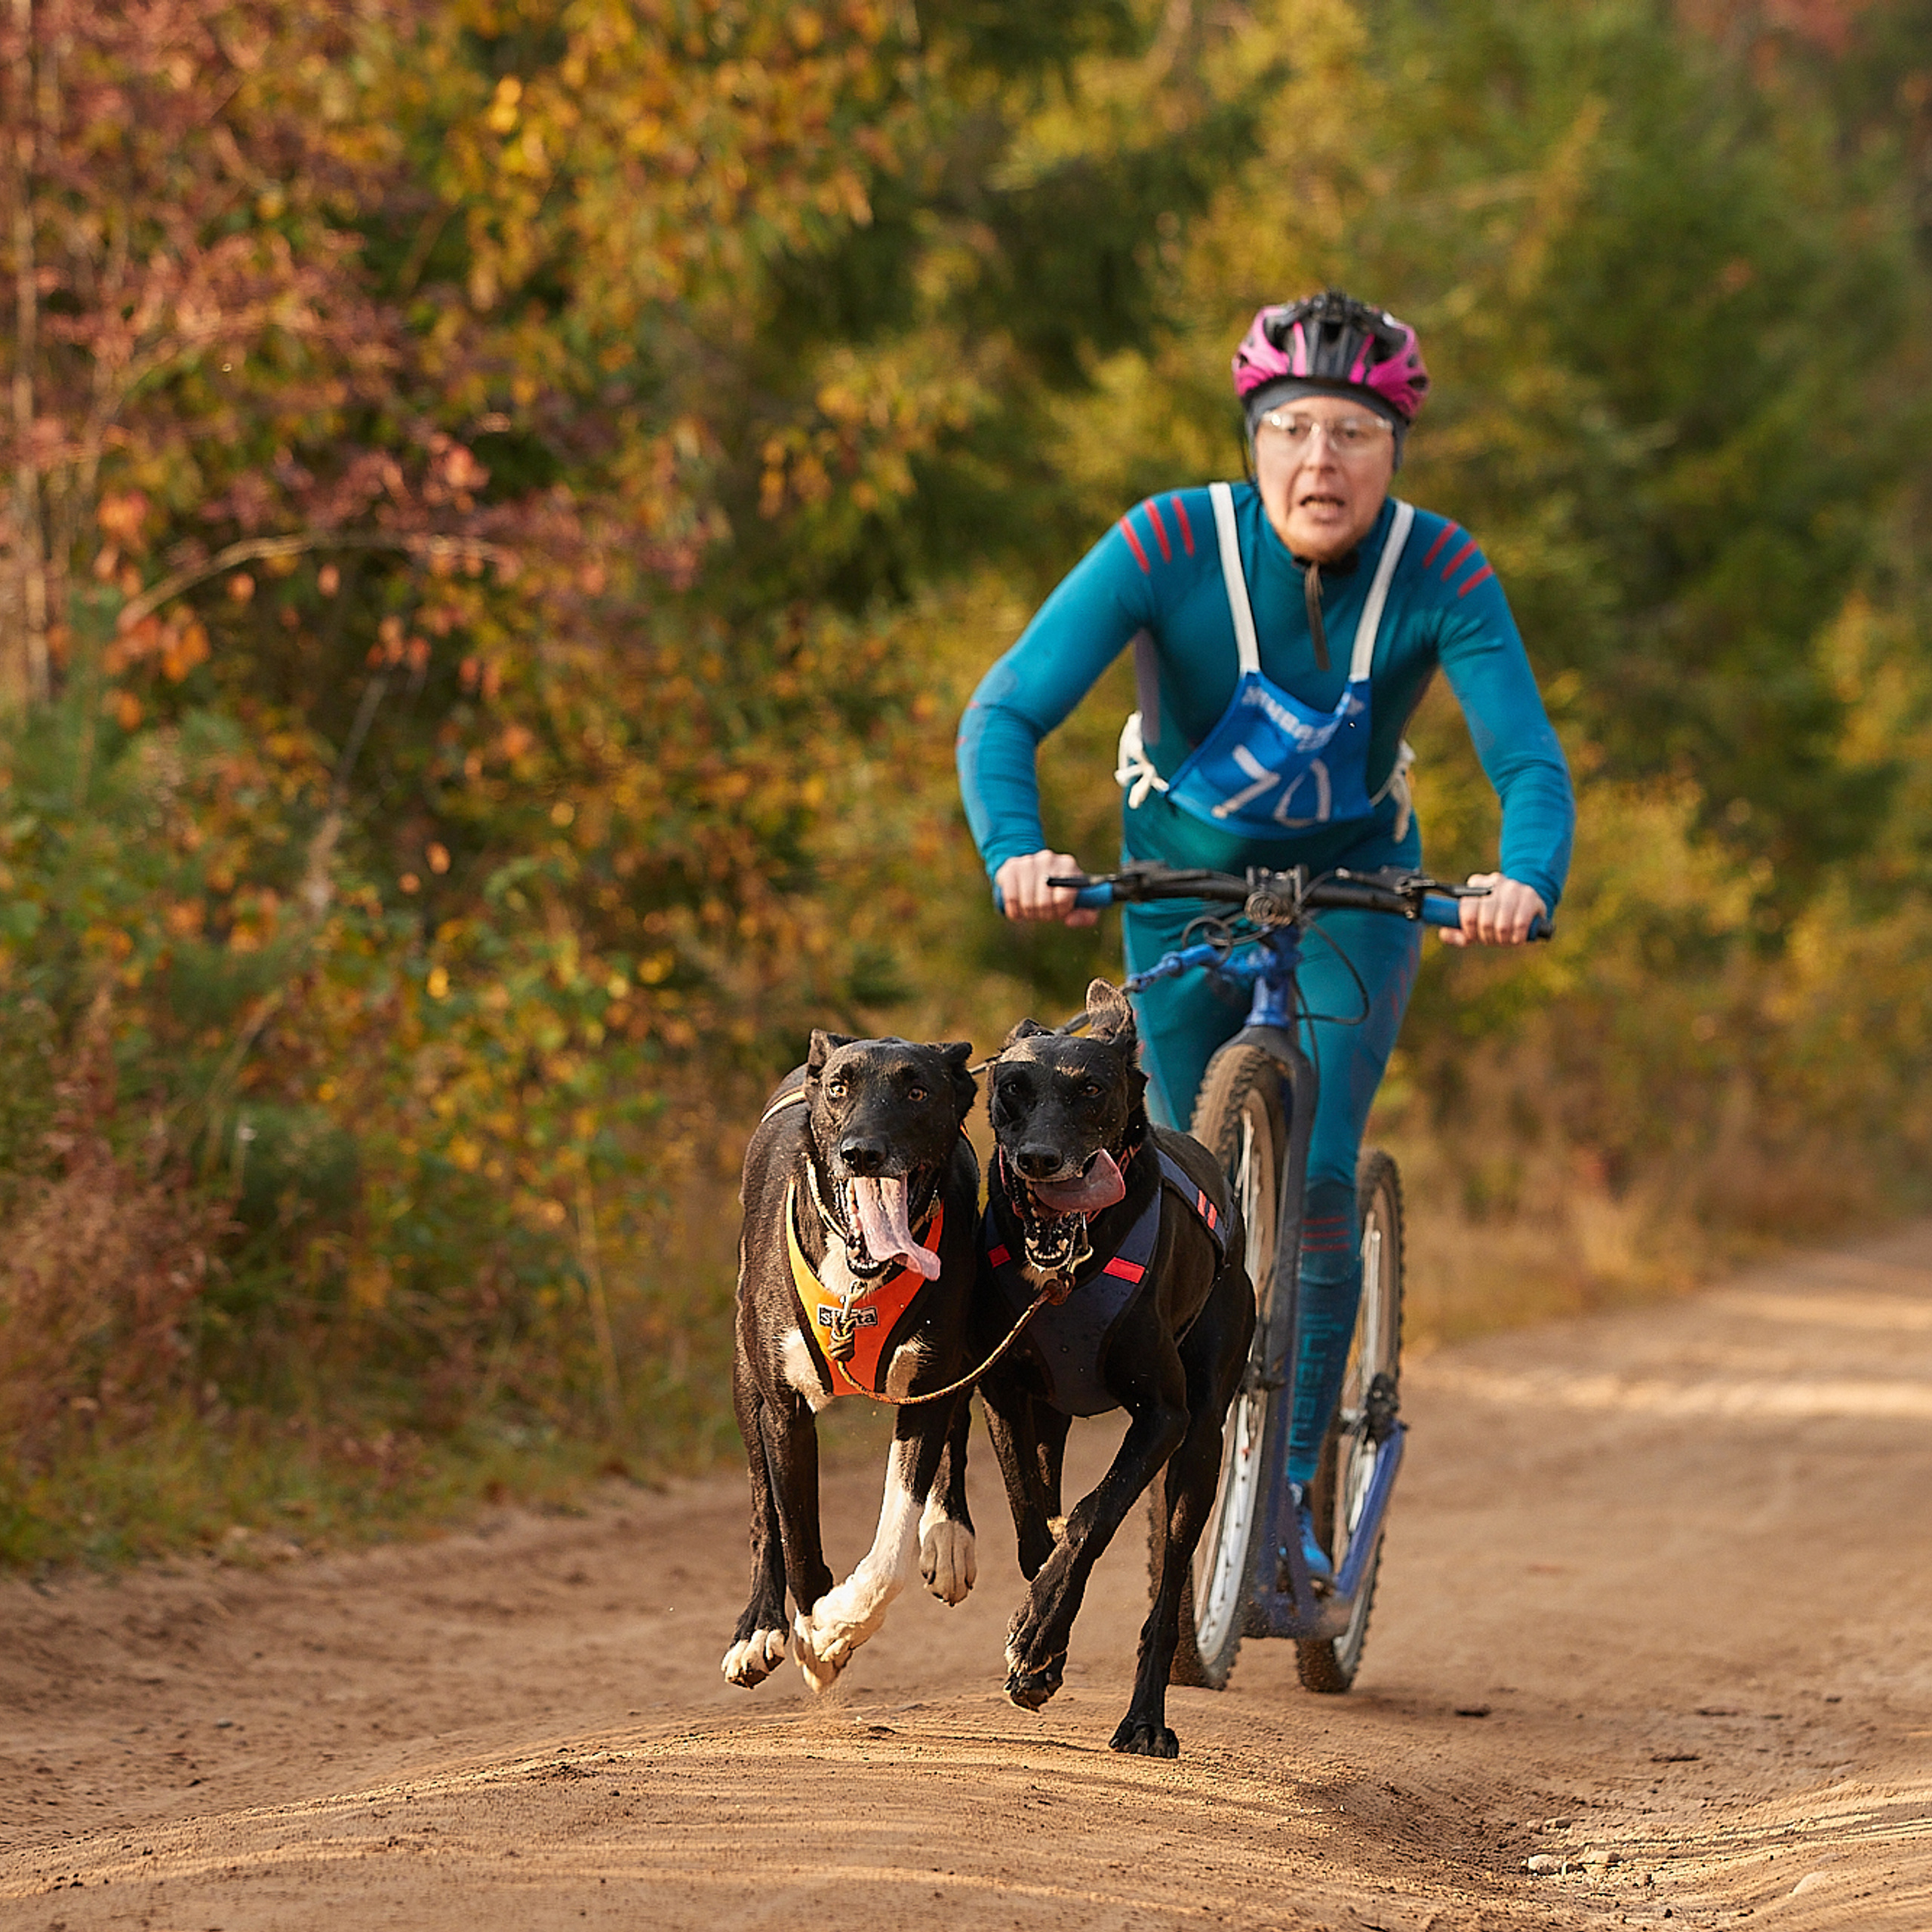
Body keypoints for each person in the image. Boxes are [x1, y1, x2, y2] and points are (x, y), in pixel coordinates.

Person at [955, 289, 1574, 1584]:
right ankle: (1193, 1460)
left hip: (1360, 891)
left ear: (1394, 448)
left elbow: (1526, 758)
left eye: (1353, 433)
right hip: (1179, 888)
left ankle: (1289, 1487)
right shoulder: (1167, 541)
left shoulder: (1443, 569)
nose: (1320, 462)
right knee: (1179, 1180)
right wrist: (1017, 850)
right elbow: (1005, 711)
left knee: (1324, 1179)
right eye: (1292, 428)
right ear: (1252, 439)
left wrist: (1521, 880)